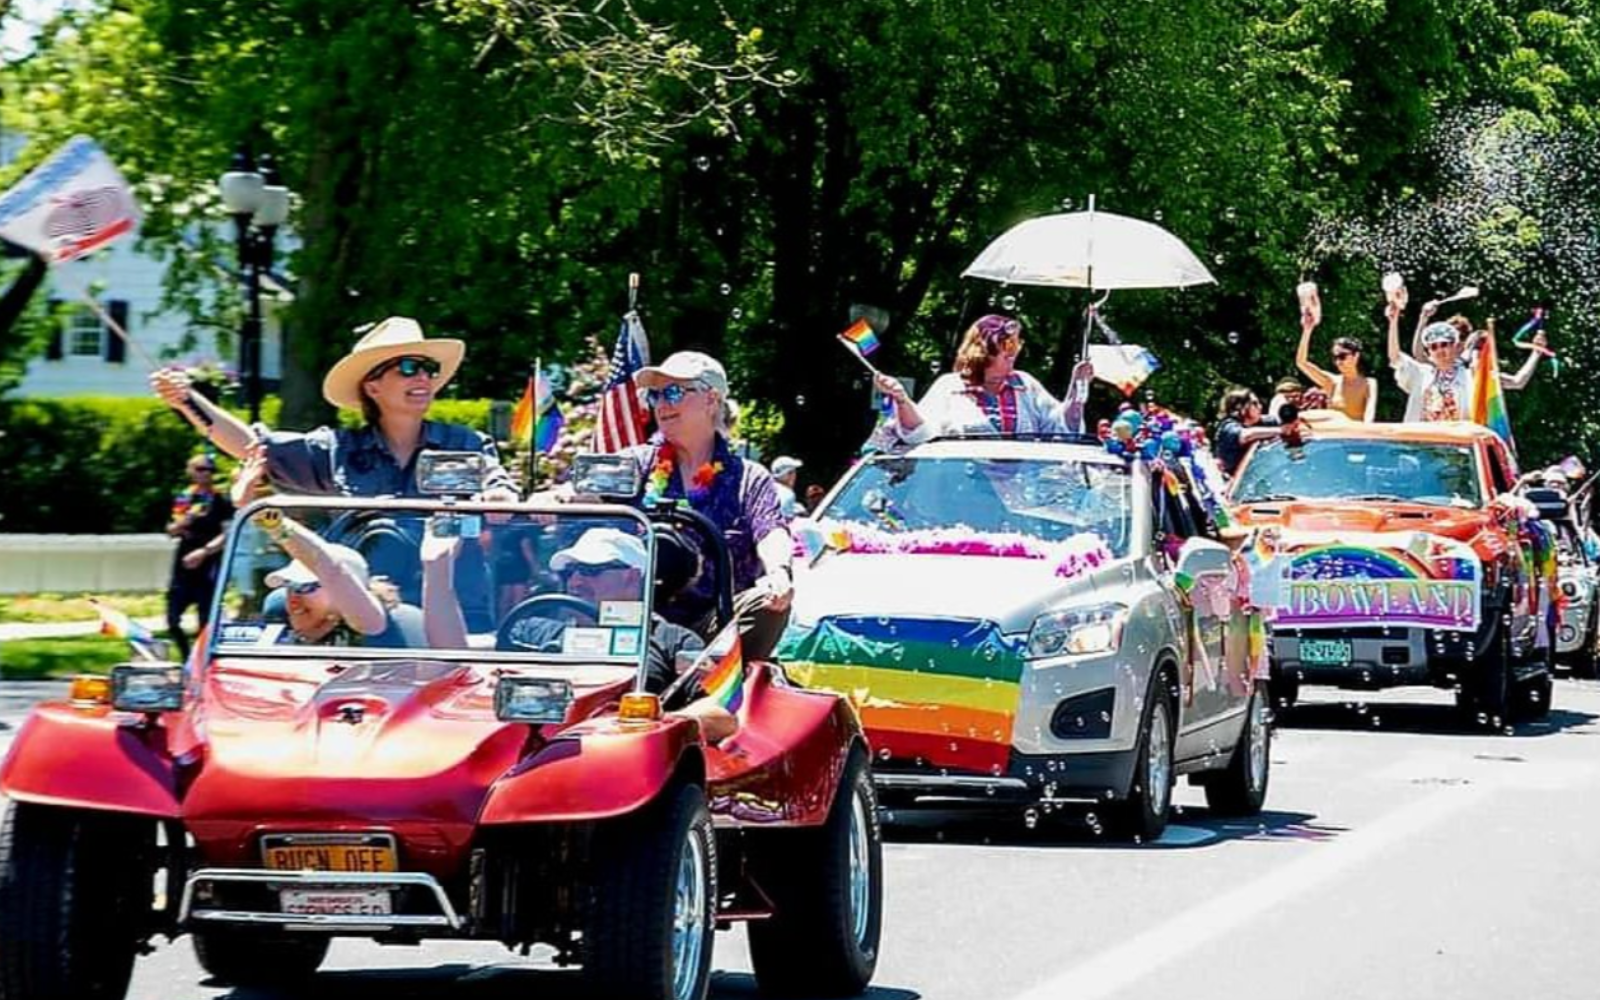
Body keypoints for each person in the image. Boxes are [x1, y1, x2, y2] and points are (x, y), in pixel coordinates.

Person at [422, 525, 737, 741]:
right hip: (524, 757)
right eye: (570, 572)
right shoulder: (534, 630)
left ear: (632, 576)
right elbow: (455, 657)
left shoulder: (672, 641)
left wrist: (657, 724)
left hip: (624, 766)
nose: (575, 582)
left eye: (590, 571)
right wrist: (436, 571)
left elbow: (721, 713)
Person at [150, 316, 515, 499]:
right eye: (407, 367)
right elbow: (251, 447)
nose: (422, 378)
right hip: (362, 605)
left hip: (456, 609)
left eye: (429, 369)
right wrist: (187, 400)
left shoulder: (465, 444)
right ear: (372, 386)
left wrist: (501, 496)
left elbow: (498, 484)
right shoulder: (337, 450)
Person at [611, 350, 796, 661]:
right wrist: (538, 503)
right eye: (655, 395)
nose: (662, 404)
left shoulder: (749, 477)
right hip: (632, 619)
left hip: (713, 629)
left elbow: (771, 531)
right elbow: (580, 502)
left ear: (711, 400)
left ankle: (711, 679)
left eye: (673, 392)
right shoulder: (634, 465)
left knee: (769, 602)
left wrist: (779, 573)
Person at [869, 314, 1094, 447]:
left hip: (1020, 499)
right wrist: (901, 399)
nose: (1013, 353)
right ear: (983, 351)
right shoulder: (951, 386)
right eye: (1006, 346)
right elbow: (919, 433)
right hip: (958, 496)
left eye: (1016, 345)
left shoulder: (1025, 384)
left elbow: (1062, 431)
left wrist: (1077, 389)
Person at [250, 507, 414, 647]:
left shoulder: (370, 623)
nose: (293, 599)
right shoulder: (279, 635)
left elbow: (331, 569)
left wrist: (279, 527)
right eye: (289, 586)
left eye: (305, 587)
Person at [1387, 303, 1544, 423]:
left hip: (1457, 453)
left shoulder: (1473, 376)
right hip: (1419, 448)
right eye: (1434, 347)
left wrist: (1536, 353)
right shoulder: (1420, 373)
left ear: (1457, 346)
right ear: (1429, 352)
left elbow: (1518, 381)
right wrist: (1393, 321)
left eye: (1445, 344)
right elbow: (1396, 357)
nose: (1440, 350)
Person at [164, 454, 234, 660]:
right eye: (201, 469)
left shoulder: (220, 499)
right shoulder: (184, 498)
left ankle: (201, 660)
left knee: (206, 619)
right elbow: (171, 530)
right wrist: (185, 521)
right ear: (190, 471)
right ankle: (187, 657)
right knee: (172, 618)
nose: (206, 474)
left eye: (210, 470)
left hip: (209, 560)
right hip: (184, 561)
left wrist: (204, 552)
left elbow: (228, 534)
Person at [1295, 310, 1377, 421]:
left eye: (1342, 356)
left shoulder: (1369, 384)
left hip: (1356, 435)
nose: (1338, 362)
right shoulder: (1331, 382)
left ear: (1355, 356)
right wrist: (1307, 330)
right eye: (1335, 357)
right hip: (1332, 435)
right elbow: (1301, 362)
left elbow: (1369, 414)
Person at [1213, 387, 1301, 477]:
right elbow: (1246, 435)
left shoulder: (1267, 422)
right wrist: (1281, 430)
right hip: (1238, 482)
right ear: (1240, 408)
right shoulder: (1228, 427)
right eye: (1254, 404)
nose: (1260, 406)